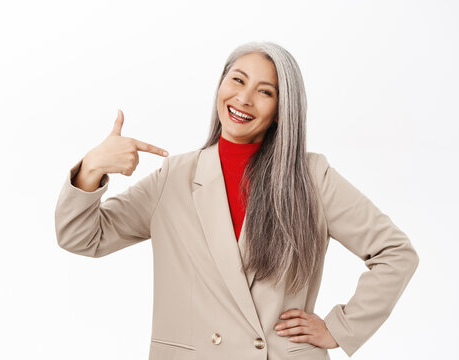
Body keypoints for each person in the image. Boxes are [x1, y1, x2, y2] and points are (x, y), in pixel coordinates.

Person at [54, 41, 419, 360]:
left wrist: (341, 328)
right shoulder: (175, 176)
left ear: (281, 110)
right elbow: (81, 236)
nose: (243, 99)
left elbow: (395, 252)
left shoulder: (311, 177)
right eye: (237, 80)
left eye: (265, 91)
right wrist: (92, 167)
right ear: (221, 84)